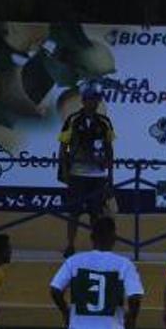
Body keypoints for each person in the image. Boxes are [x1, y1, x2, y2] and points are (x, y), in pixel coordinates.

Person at [58, 82, 115, 258]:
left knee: (96, 213)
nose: (93, 102)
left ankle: (96, 247)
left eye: (96, 99)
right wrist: (64, 170)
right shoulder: (73, 120)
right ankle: (70, 245)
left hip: (98, 175)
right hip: (77, 174)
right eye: (89, 99)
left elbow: (109, 148)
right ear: (83, 101)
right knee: (74, 212)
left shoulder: (104, 122)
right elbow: (63, 145)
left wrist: (110, 175)